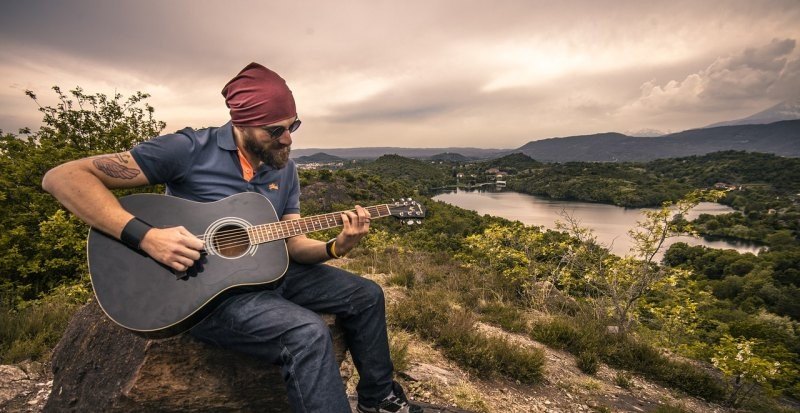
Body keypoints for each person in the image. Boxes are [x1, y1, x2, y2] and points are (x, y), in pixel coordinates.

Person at [42, 62, 422, 413]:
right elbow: (63, 177)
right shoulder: (188, 149)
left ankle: (378, 399)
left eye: (293, 125)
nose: (287, 139)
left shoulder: (284, 169)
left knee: (366, 294)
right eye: (275, 130)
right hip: (203, 292)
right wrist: (146, 237)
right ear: (241, 123)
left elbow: (290, 243)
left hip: (271, 273)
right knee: (307, 333)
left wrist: (335, 247)